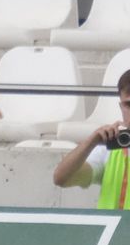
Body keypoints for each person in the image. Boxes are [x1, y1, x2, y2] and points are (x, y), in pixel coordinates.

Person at [54, 70, 130, 209]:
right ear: (121, 107)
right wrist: (91, 141)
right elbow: (61, 179)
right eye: (128, 105)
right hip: (116, 224)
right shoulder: (111, 149)